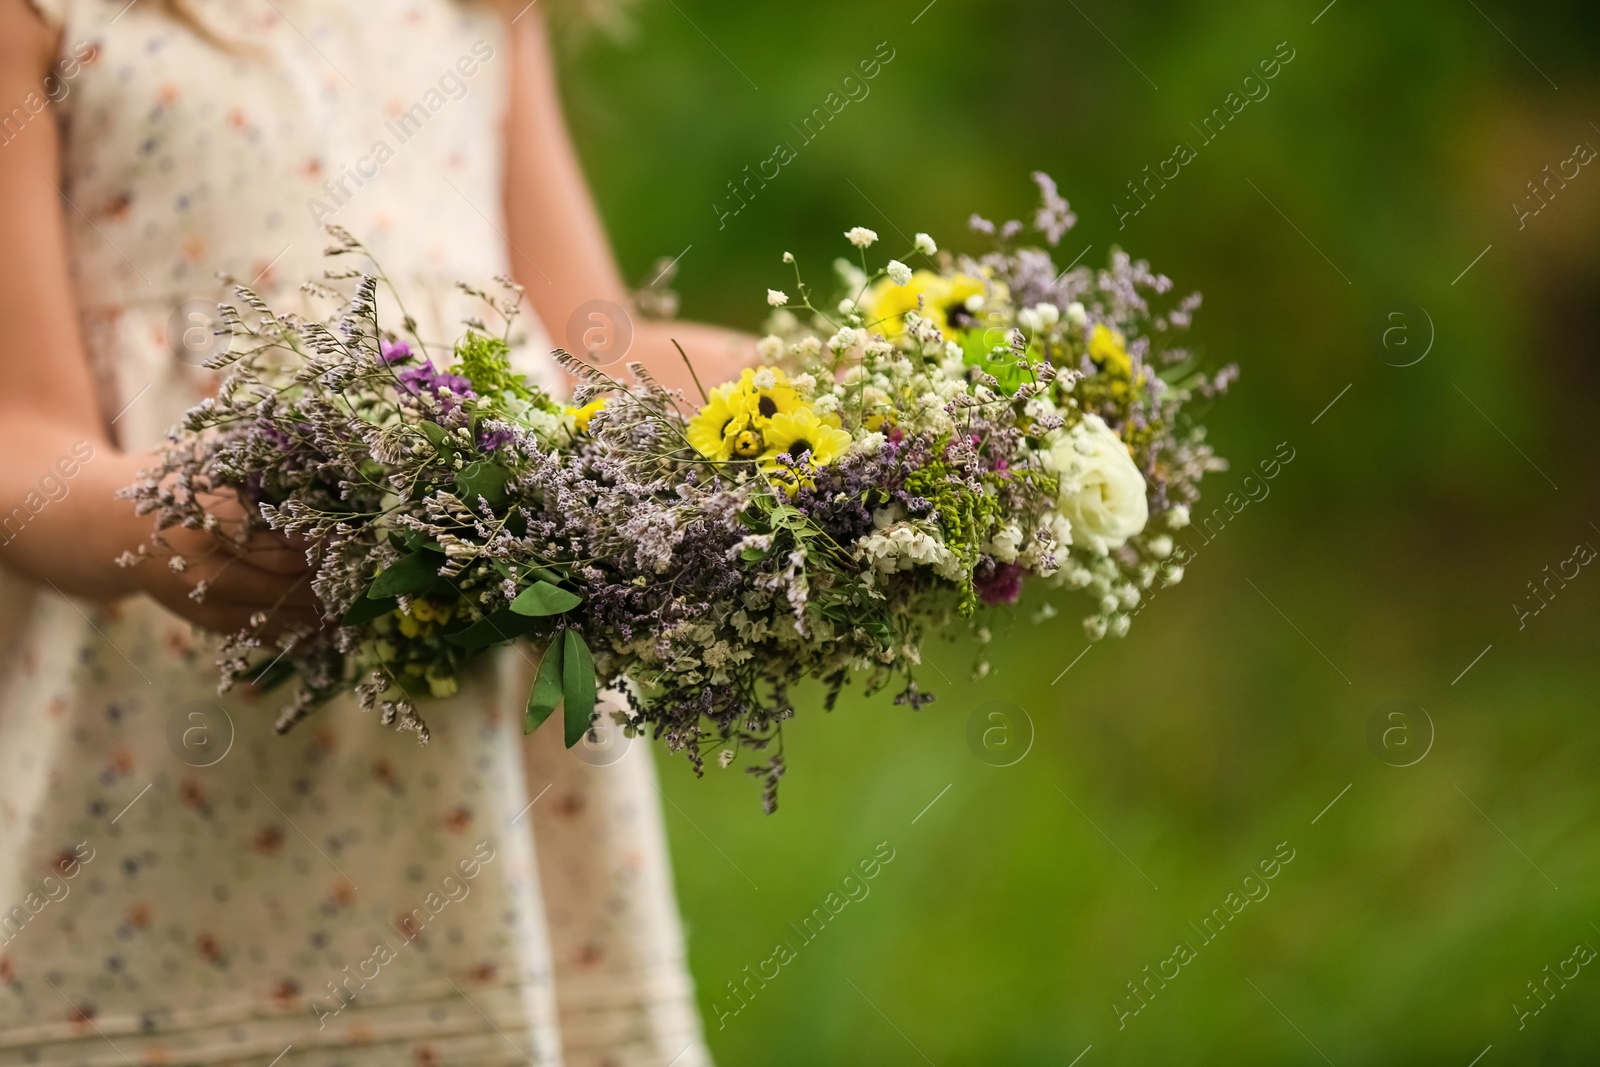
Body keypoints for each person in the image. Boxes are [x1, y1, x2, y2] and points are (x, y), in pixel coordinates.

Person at [0, 1, 749, 1063]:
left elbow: (585, 355)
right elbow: (21, 431)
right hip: (146, 767)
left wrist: (830, 405)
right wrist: (159, 529)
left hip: (468, 781)